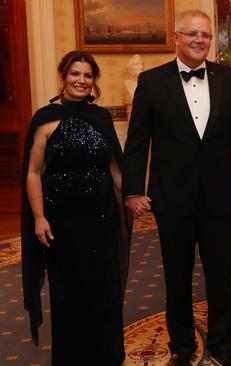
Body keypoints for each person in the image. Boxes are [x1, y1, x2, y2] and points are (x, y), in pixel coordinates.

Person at [121, 9, 231, 366]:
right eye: (193, 34)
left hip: (218, 194)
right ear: (176, 37)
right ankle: (182, 345)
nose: (200, 41)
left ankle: (221, 343)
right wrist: (133, 190)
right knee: (177, 274)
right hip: (171, 196)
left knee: (219, 273)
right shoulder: (151, 82)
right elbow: (137, 142)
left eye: (206, 36)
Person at [21, 50, 131, 365]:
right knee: (69, 292)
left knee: (103, 288)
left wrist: (134, 197)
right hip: (62, 221)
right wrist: (39, 217)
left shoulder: (101, 117)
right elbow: (32, 173)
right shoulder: (44, 118)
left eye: (87, 75)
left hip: (101, 218)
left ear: (94, 80)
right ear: (63, 76)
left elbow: (115, 170)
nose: (81, 80)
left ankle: (107, 355)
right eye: (75, 74)